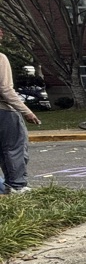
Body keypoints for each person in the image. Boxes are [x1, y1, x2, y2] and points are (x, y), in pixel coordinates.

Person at [0, 28, 41, 194]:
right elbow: (5, 90)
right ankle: (17, 185)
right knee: (14, 148)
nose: (2, 34)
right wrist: (26, 111)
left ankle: (9, 186)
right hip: (4, 110)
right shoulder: (1, 58)